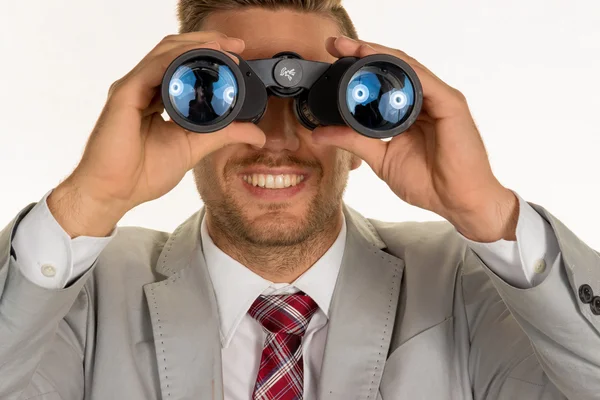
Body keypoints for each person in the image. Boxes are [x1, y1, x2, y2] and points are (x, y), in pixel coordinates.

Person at [1, 0, 599, 399]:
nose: (278, 142)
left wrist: (488, 213)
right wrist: (87, 202)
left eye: (318, 100)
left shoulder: (472, 281)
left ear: (360, 113)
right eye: (230, 96)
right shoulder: (79, 290)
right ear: (169, 106)